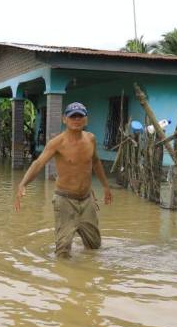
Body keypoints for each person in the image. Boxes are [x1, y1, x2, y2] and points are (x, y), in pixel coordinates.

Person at [14, 101, 113, 256]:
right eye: (72, 116)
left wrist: (106, 187)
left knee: (94, 247)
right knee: (63, 250)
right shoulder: (57, 143)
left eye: (80, 116)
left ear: (86, 119)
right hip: (65, 199)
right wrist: (23, 184)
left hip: (87, 200)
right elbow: (38, 163)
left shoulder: (91, 139)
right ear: (64, 119)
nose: (76, 119)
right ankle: (63, 277)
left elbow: (96, 162)